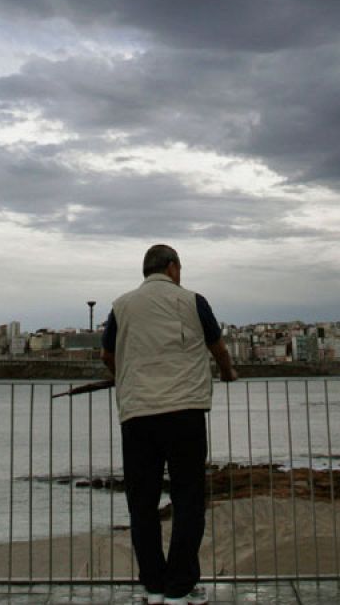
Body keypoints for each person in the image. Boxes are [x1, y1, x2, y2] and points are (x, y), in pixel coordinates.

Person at [100, 244, 238, 605]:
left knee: (142, 502)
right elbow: (218, 347)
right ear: (173, 268)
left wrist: (124, 378)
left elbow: (107, 354)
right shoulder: (193, 301)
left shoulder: (121, 305)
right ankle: (180, 585)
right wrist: (227, 373)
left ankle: (153, 584)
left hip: (138, 415)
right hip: (184, 411)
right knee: (188, 498)